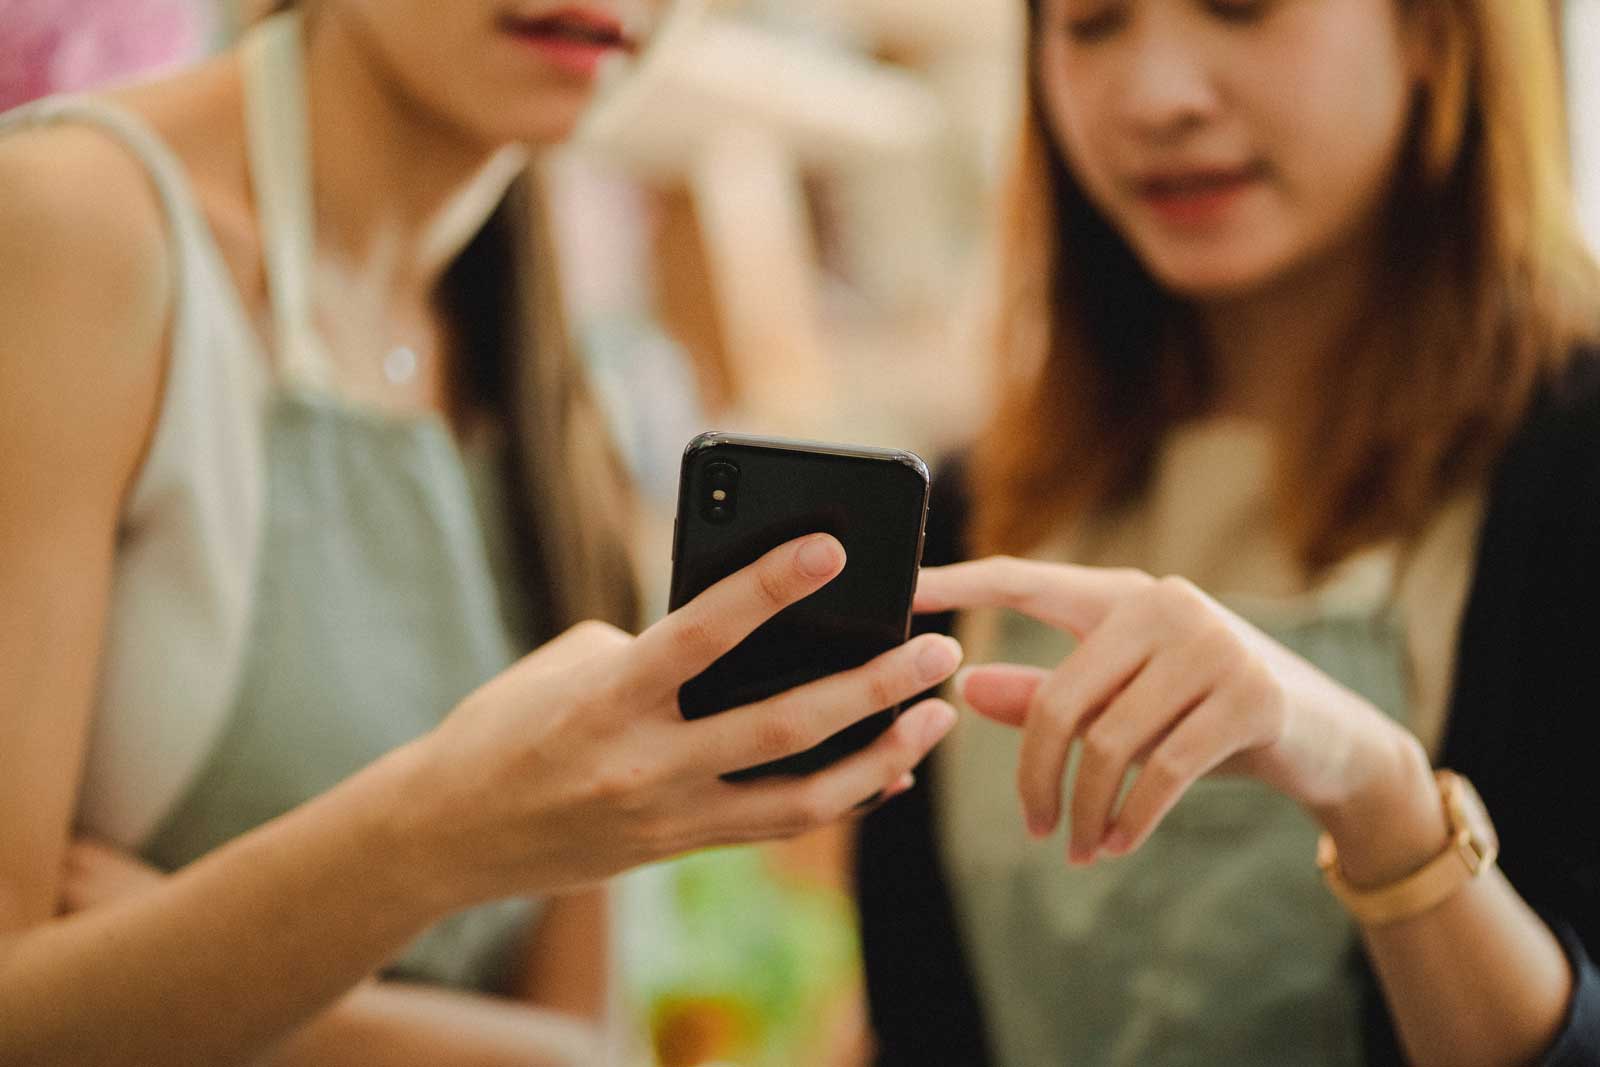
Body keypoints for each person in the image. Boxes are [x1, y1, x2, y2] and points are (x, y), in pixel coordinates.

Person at [0, 1, 964, 1062]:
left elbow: (580, 1040)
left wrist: (260, 952)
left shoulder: (552, 380)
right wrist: (429, 846)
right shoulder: (70, 227)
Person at [856, 0, 1600, 1064]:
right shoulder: (973, 504)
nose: (1158, 98)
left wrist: (1374, 792)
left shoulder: (1569, 470)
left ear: (1432, 35)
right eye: (1092, 23)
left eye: (1242, 8)